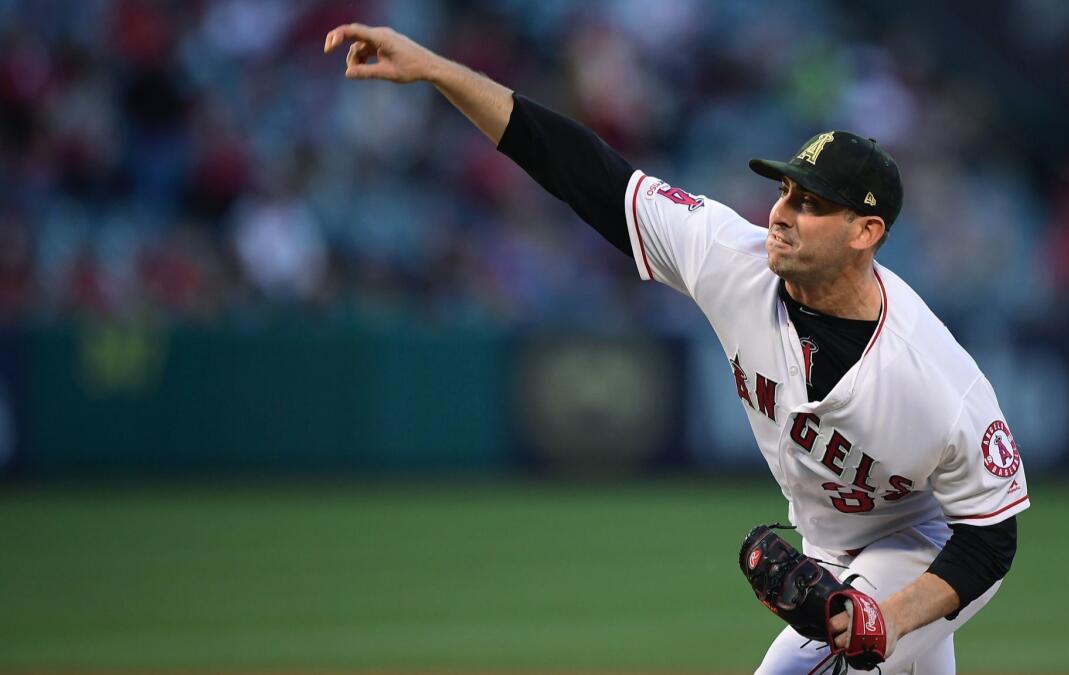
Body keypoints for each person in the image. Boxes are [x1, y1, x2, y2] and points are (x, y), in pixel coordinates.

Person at [324, 23, 1029, 675]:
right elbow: (583, 170)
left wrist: (892, 613)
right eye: (785, 189)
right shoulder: (733, 257)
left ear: (865, 231)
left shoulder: (935, 379)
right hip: (833, 548)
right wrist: (439, 72)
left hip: (920, 552)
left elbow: (991, 538)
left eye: (811, 202)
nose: (781, 211)